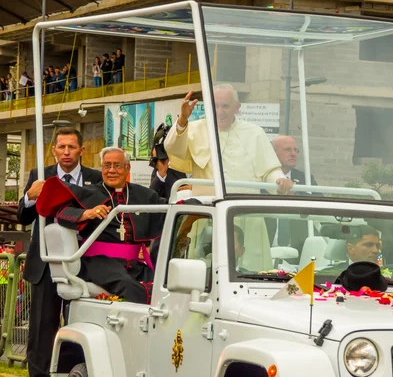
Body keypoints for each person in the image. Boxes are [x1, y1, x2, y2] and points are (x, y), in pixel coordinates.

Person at [165, 86, 293, 271]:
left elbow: (270, 170)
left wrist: (280, 181)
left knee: (252, 272)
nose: (220, 111)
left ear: (237, 107)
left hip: (247, 214)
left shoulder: (255, 133)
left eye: (225, 106)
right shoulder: (194, 128)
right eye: (215, 106)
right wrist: (183, 120)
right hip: (209, 215)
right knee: (203, 272)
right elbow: (173, 149)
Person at [17, 127, 102, 377]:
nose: (66, 152)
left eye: (72, 147)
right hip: (46, 266)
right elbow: (23, 216)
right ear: (54, 150)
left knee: (80, 328)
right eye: (61, 147)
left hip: (83, 264)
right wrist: (30, 197)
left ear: (82, 150)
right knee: (42, 332)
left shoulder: (95, 178)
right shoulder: (39, 175)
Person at [36, 147, 167, 304]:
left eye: (117, 165)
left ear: (128, 168)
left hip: (134, 264)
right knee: (126, 285)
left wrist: (196, 202)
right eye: (107, 165)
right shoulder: (89, 192)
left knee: (163, 284)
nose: (111, 170)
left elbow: (169, 207)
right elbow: (61, 213)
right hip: (98, 263)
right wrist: (87, 213)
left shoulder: (143, 194)